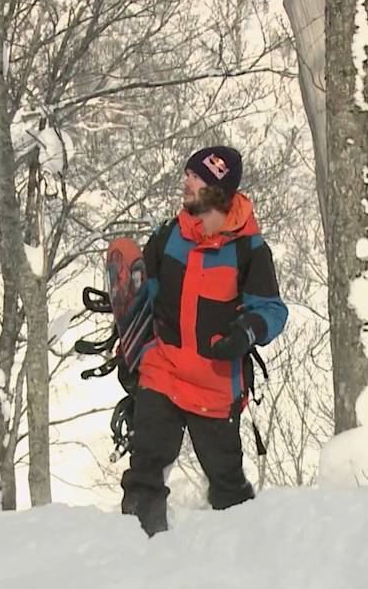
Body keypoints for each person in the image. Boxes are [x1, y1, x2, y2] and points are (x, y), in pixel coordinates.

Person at [120, 146, 288, 536]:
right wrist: (133, 348)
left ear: (217, 188)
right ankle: (138, 551)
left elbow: (272, 311)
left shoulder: (250, 249)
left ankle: (242, 557)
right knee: (144, 471)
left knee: (228, 486)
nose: (186, 181)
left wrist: (247, 331)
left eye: (195, 177)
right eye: (188, 174)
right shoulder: (167, 237)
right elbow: (143, 301)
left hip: (215, 383)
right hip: (163, 370)